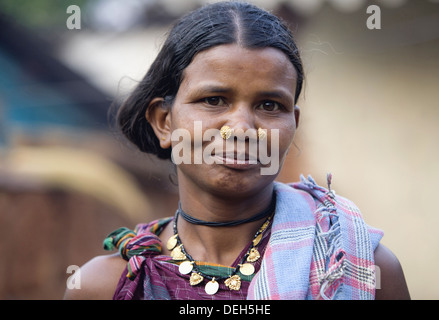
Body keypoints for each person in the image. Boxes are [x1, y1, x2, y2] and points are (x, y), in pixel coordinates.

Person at [64, 1, 409, 300]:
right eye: (214, 100)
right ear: (164, 122)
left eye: (270, 105)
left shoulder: (360, 269)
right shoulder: (106, 285)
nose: (242, 128)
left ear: (294, 124)